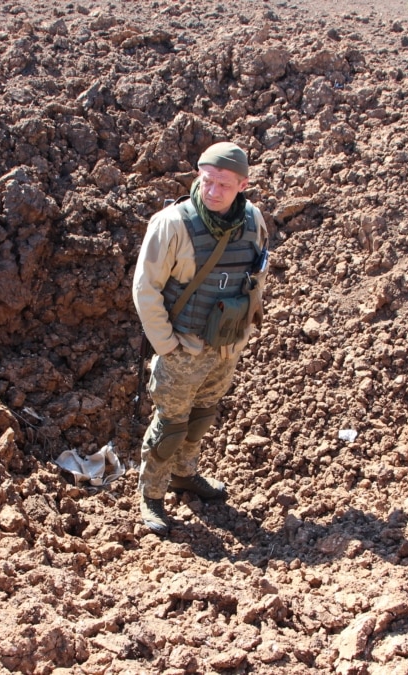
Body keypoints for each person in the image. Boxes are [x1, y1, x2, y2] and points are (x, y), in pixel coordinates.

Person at [131, 141, 267, 536]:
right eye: (206, 180)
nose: (212, 190)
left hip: (225, 346)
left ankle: (184, 476)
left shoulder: (253, 220)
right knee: (171, 425)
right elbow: (146, 290)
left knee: (202, 417)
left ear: (242, 185)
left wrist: (245, 331)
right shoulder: (172, 224)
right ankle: (151, 494)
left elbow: (256, 277)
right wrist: (167, 345)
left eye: (223, 183)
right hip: (183, 348)